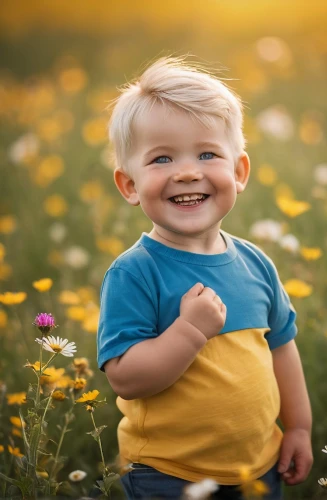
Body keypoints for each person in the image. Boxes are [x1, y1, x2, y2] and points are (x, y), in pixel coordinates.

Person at [97, 56, 313, 500]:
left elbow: (282, 350)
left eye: (207, 153)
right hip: (169, 473)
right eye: (161, 158)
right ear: (129, 185)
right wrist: (189, 331)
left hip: (260, 466)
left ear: (239, 172)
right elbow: (125, 377)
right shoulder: (135, 272)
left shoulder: (255, 263)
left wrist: (299, 427)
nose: (188, 171)